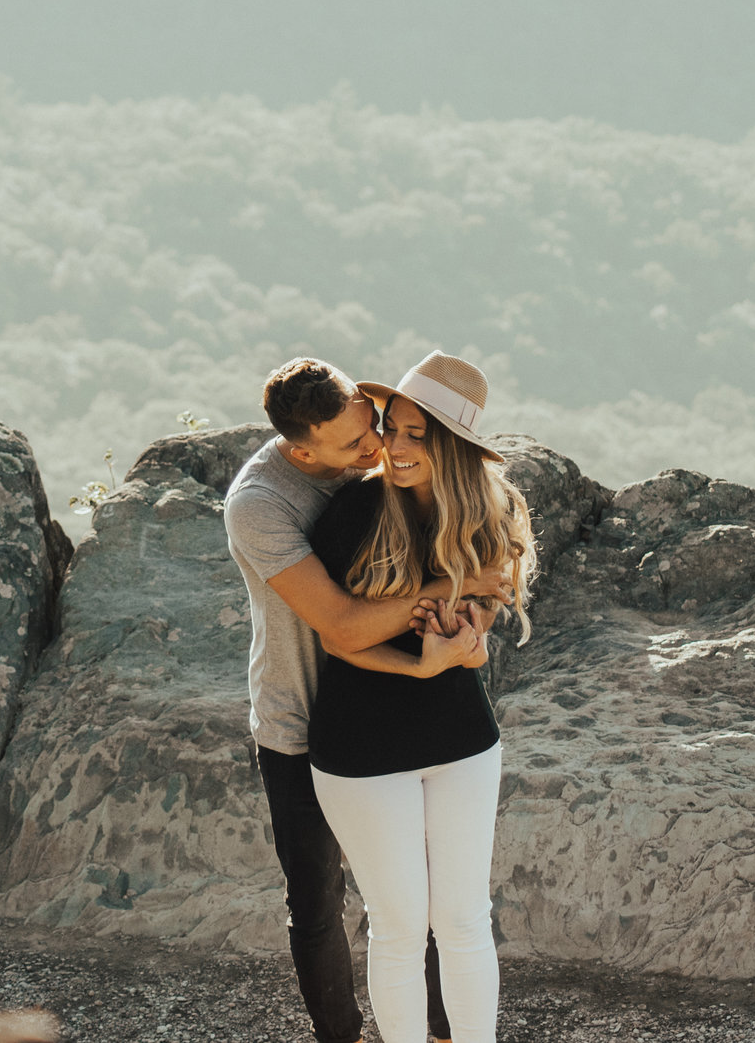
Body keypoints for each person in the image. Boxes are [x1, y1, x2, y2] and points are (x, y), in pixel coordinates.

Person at [226, 359, 509, 1043]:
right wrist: (455, 585)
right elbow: (345, 626)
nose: (378, 449)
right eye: (360, 443)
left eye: (377, 427)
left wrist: (470, 636)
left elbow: (486, 601)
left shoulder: (419, 480)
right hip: (305, 713)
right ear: (304, 451)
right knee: (324, 898)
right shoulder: (263, 504)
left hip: (432, 729)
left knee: (451, 910)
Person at [305, 352, 534, 1043]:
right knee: (399, 923)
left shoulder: (488, 517)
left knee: (463, 917)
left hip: (460, 739)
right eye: (394, 428)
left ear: (455, 448)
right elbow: (341, 636)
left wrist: (465, 637)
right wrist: (438, 609)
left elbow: (479, 631)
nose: (395, 447)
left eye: (417, 435)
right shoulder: (353, 513)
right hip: (361, 748)